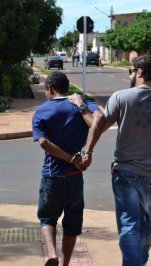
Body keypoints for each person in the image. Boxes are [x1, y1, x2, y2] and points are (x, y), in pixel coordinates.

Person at [70, 54, 151, 266]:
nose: (131, 74)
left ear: (139, 72)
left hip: (125, 173)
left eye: (131, 70)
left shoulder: (121, 97)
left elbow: (99, 125)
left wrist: (89, 150)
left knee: (129, 224)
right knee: (144, 221)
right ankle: (139, 261)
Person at [32, 71, 102, 266]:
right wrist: (85, 153)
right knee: (72, 225)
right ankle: (65, 263)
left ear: (51, 89)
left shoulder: (41, 111)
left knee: (47, 219)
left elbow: (44, 143)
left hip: (52, 176)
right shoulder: (81, 104)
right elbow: (100, 119)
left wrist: (69, 158)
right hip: (74, 177)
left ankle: (51, 254)